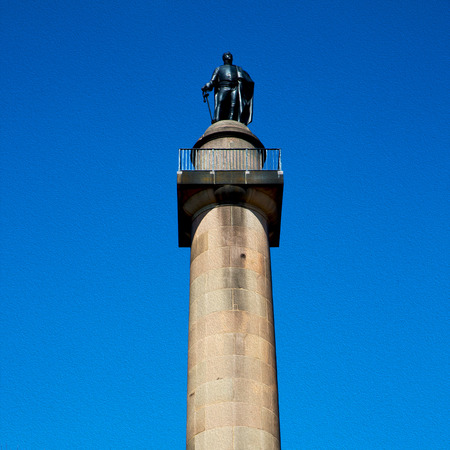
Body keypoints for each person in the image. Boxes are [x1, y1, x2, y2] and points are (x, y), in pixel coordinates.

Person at [202, 52, 254, 125]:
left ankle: (231, 121)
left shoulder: (237, 68)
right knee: (220, 102)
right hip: (223, 87)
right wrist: (207, 86)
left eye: (230, 55)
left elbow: (248, 81)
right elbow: (213, 81)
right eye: (227, 55)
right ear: (224, 58)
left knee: (233, 105)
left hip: (235, 88)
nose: (229, 56)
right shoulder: (219, 69)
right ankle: (216, 119)